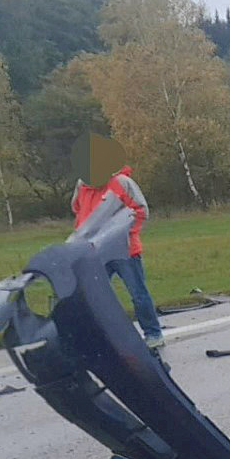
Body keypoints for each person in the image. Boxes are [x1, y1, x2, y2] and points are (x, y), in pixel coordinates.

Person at [71, 133, 164, 348]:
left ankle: (153, 334)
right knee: (96, 298)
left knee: (138, 294)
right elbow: (78, 210)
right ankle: (104, 338)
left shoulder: (121, 182)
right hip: (94, 253)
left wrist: (121, 233)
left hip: (124, 251)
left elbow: (140, 211)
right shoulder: (82, 185)